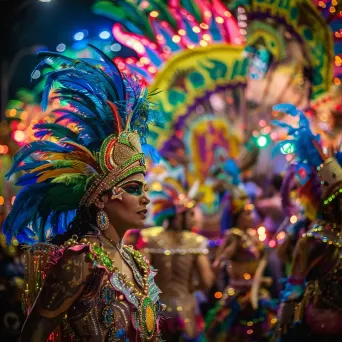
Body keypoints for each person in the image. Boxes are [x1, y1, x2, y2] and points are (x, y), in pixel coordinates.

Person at [2, 45, 165, 342]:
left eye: (144, 188)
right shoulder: (80, 261)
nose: (145, 198)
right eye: (132, 188)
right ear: (101, 198)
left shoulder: (135, 260)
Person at [272, 103, 342, 341]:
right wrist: (284, 323)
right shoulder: (313, 238)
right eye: (339, 200)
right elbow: (294, 287)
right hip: (319, 323)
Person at [136, 177, 214, 342]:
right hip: (186, 312)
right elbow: (206, 281)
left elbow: (141, 274)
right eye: (190, 214)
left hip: (157, 313)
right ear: (178, 216)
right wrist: (191, 287)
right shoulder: (195, 241)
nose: (194, 219)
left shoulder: (149, 237)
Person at [206, 185, 276, 342]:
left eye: (252, 213)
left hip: (258, 292)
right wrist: (223, 258)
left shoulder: (253, 234)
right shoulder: (234, 236)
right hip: (238, 294)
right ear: (237, 216)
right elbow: (219, 262)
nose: (252, 217)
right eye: (247, 213)